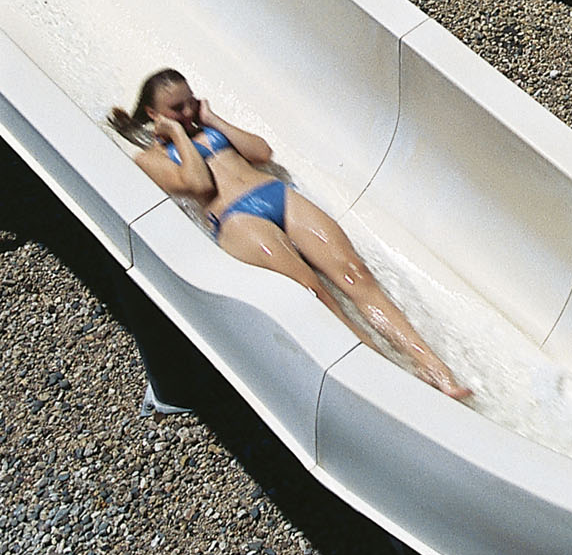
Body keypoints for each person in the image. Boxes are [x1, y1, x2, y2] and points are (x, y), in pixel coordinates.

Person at [109, 71, 470, 401]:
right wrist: (173, 135)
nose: (188, 111)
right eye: (176, 108)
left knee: (354, 274)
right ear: (152, 113)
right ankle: (395, 385)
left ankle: (437, 371)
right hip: (237, 221)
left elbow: (261, 153)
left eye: (191, 100)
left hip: (275, 194)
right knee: (315, 292)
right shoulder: (151, 160)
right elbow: (198, 183)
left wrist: (213, 119)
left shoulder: (210, 128)